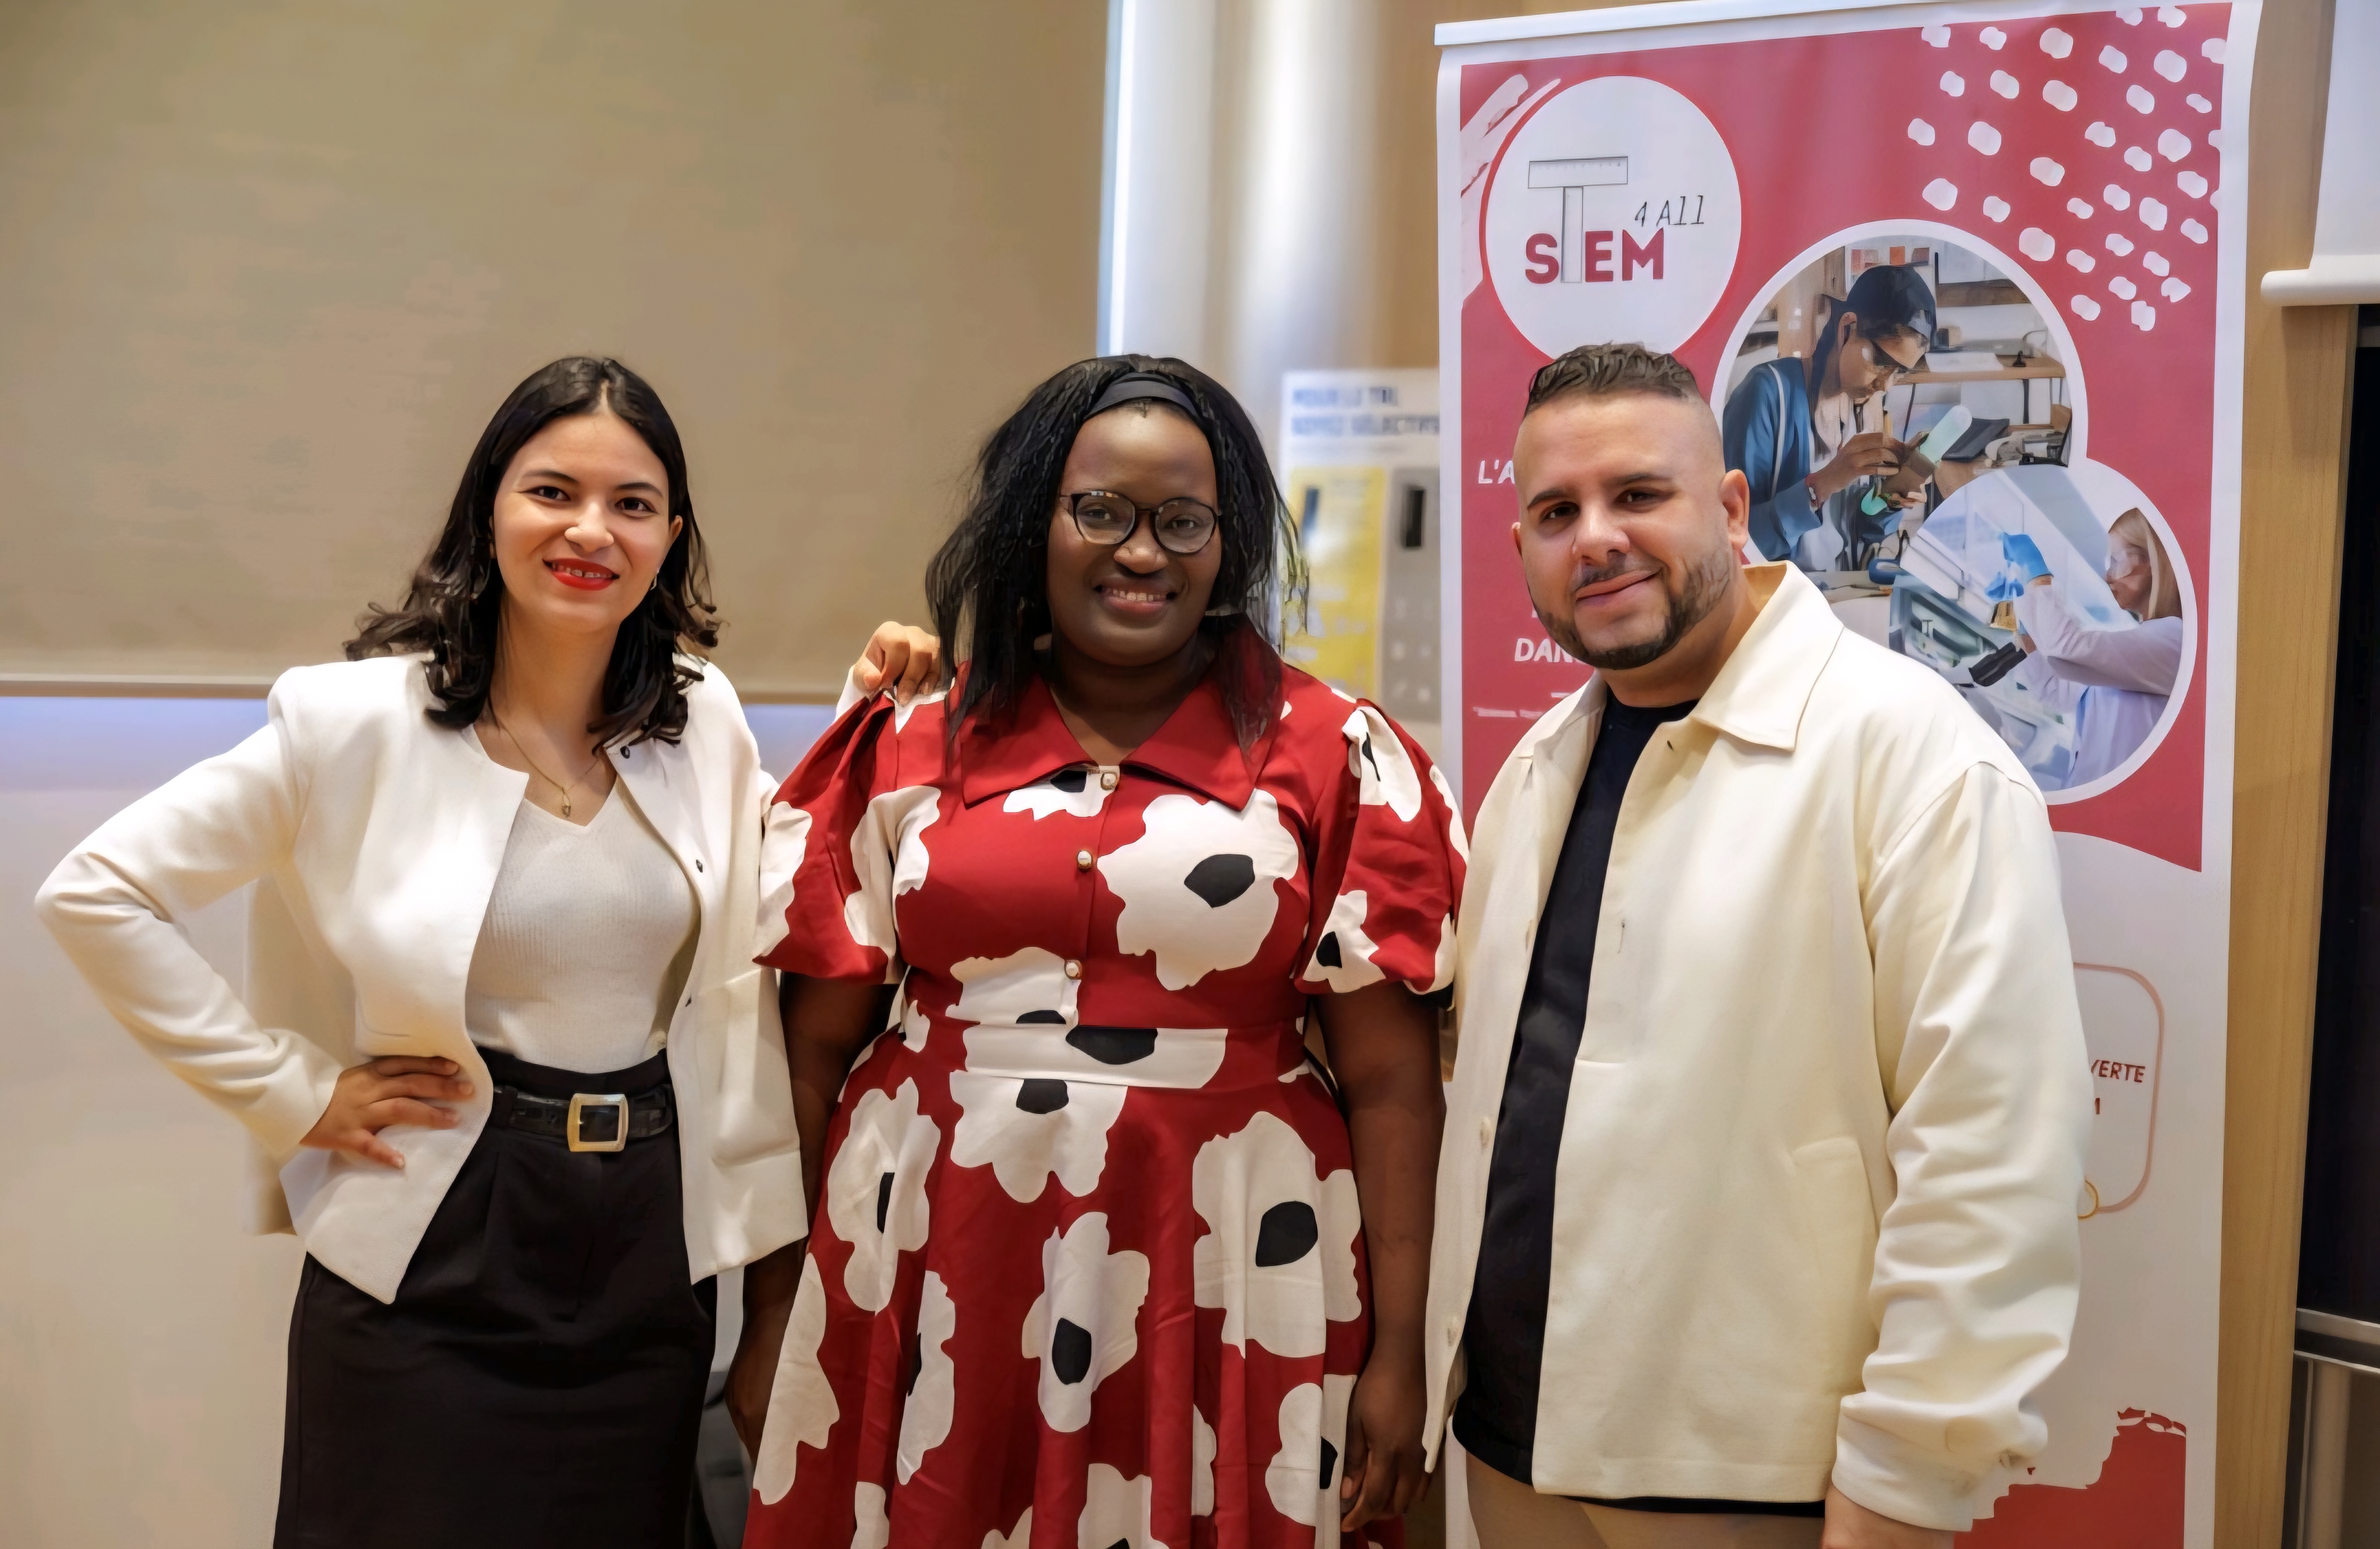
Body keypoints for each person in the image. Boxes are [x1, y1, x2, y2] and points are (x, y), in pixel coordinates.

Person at [36, 358, 815, 1549]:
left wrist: (884, 701)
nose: (591, 530)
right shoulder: (353, 725)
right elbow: (96, 890)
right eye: (552, 491)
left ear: (670, 537)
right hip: (437, 1234)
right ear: (487, 510)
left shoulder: (700, 717)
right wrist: (292, 1092)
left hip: (651, 1241)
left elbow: (792, 884)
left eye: (633, 503)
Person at [742, 355, 1464, 1548]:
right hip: (928, 1250)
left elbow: (1391, 1078)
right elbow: (810, 1054)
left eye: (1184, 520)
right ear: (1035, 521)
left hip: (1231, 1257)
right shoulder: (910, 740)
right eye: (1102, 511)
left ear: (1228, 545)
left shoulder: (1337, 752)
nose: (1143, 551)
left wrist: (1400, 1350)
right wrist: (775, 1310)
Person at [1426, 344, 2092, 1548]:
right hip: (1513, 1447)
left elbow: (1994, 1151)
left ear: (1732, 509)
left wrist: (1908, 1479)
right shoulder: (1535, 768)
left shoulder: (1913, 757)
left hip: (1754, 1477)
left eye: (1639, 494)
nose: (1597, 539)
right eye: (1557, 513)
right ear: (1521, 545)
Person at [1723, 263, 1937, 570]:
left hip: (1836, 590)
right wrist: (1821, 485)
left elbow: (1860, 532)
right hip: (1776, 593)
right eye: (1881, 362)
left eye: (1900, 372)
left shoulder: (1864, 410)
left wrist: (1889, 497)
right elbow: (1732, 541)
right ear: (1848, 328)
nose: (1885, 385)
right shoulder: (1767, 394)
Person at [2013, 507, 2186, 787]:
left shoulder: (2173, 640)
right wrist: (2022, 618)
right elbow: (2056, 691)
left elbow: (2065, 649)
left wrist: (2038, 578)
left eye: (2117, 561)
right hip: (2092, 801)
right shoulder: (2136, 652)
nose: (2109, 576)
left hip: (2124, 806)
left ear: (2153, 561)